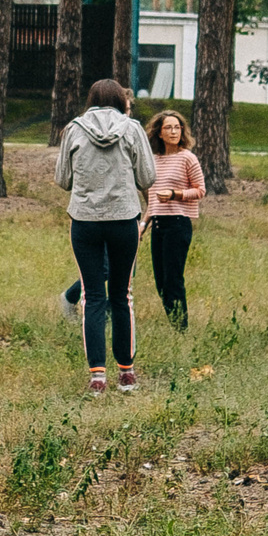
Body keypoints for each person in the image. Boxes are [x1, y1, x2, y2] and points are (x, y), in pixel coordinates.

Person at [56, 78, 156, 395]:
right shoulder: (132, 128)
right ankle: (126, 373)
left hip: (85, 219)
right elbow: (147, 177)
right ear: (120, 100)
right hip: (124, 218)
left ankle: (97, 376)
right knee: (122, 295)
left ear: (91, 99)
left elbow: (63, 179)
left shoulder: (73, 129)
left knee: (92, 296)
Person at [144, 109, 205, 329]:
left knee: (173, 279)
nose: (173, 132)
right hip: (158, 225)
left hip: (178, 224)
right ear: (159, 133)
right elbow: (153, 199)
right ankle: (175, 322)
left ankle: (181, 328)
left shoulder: (187, 157)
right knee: (160, 282)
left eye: (177, 127)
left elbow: (200, 190)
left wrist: (175, 194)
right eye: (168, 128)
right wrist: (143, 224)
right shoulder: (154, 160)